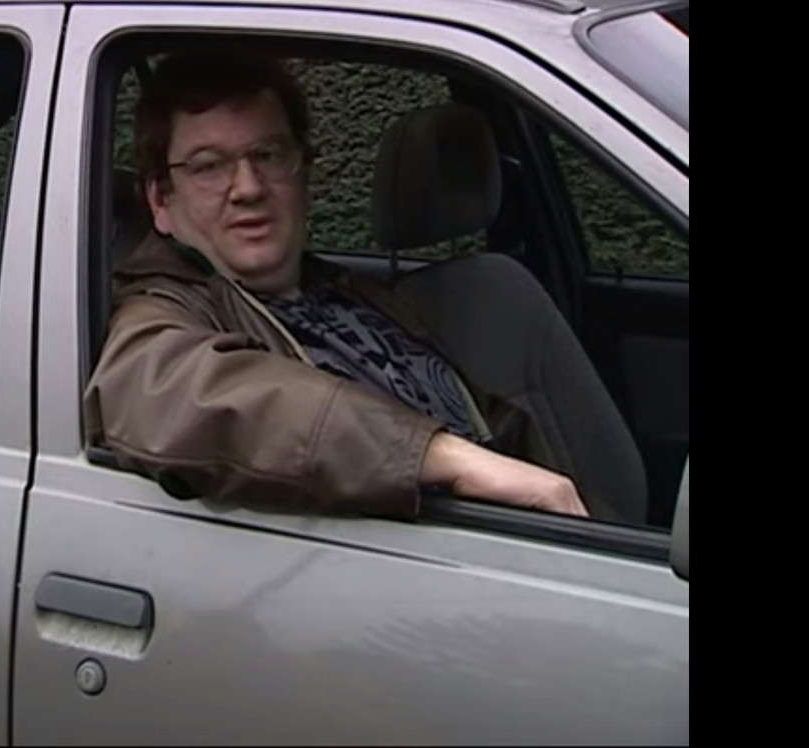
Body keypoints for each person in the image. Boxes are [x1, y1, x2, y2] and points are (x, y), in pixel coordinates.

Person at [85, 52, 592, 521]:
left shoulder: (358, 295)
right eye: (208, 166)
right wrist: (443, 458)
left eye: (268, 154)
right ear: (160, 200)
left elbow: (507, 438)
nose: (248, 188)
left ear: (303, 174)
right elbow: (164, 395)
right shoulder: (160, 308)